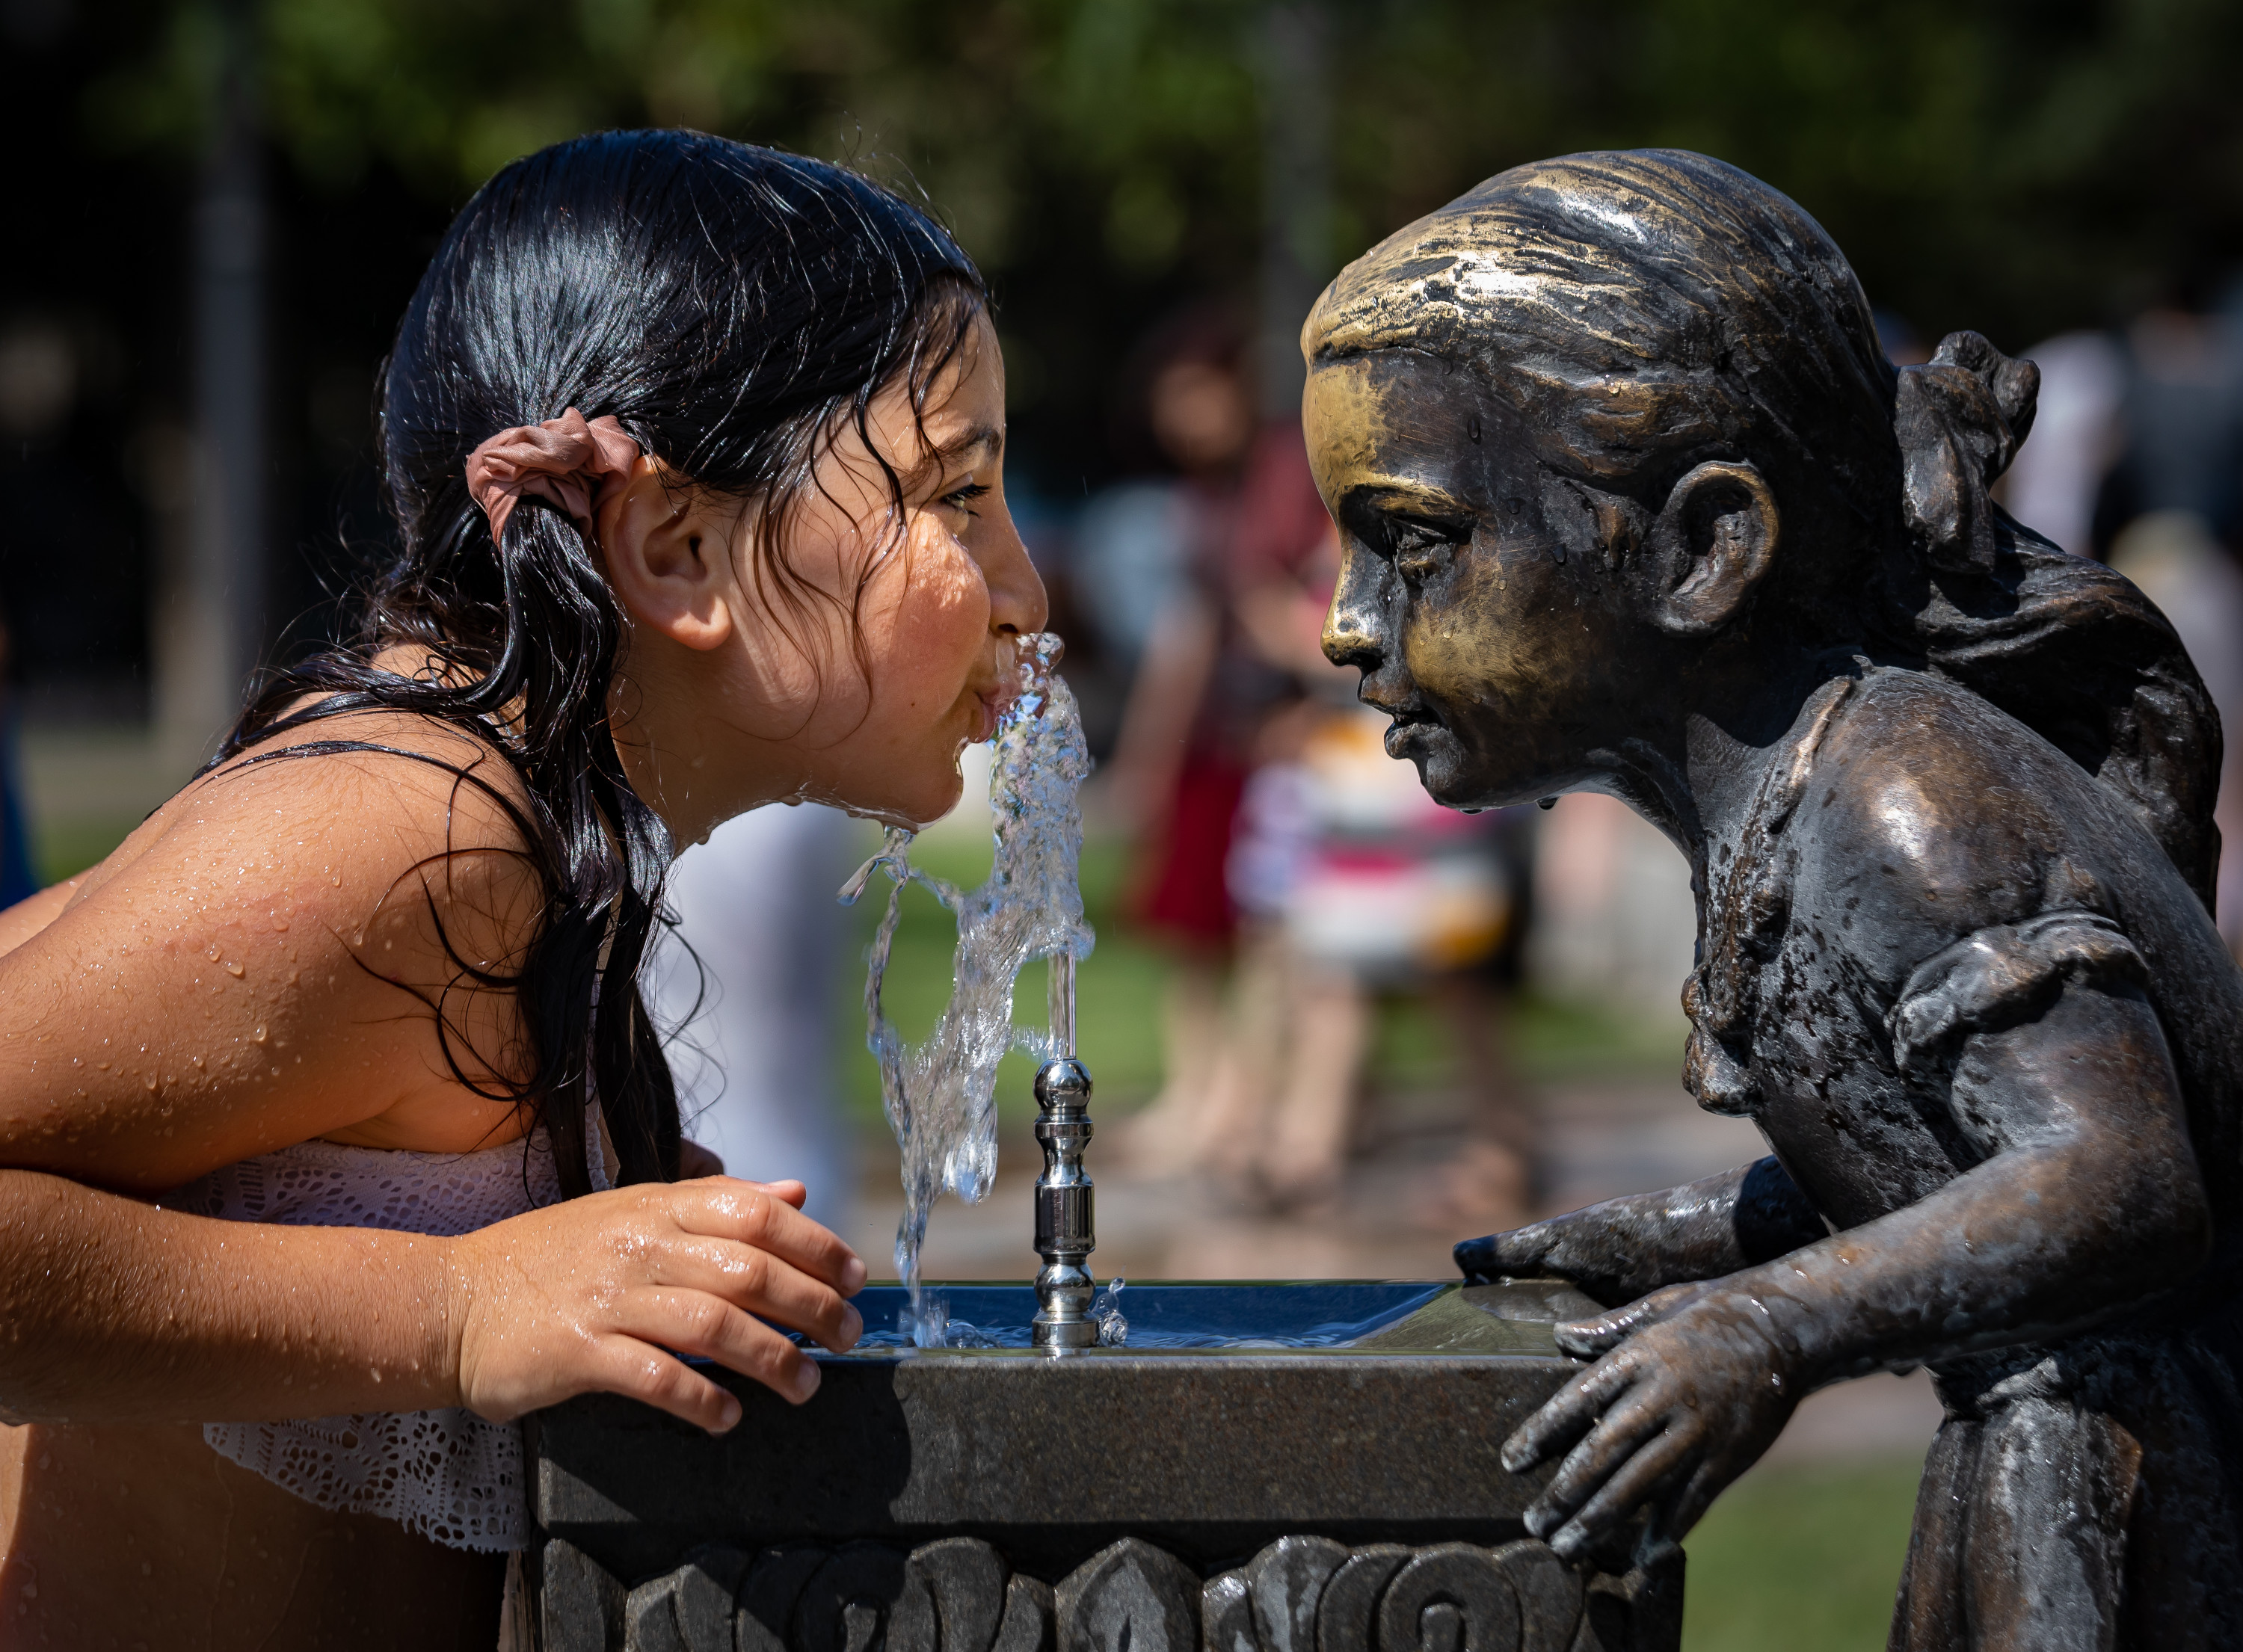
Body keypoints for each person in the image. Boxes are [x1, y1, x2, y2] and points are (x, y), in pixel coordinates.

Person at [0, 131, 1044, 1649]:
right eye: (960, 495)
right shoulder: (415, 833)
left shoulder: (529, 837)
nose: (1022, 586)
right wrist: (457, 1310)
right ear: (676, 545)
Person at [1306, 150, 2243, 1645]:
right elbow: (1955, 1161)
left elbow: (2125, 1178)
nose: (1348, 625)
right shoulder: (1799, 792)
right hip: (2051, 1456)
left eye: (1413, 544)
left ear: (1701, 549)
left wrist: (1771, 1326)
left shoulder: (1904, 797)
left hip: (2149, 1487)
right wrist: (1701, 1230)